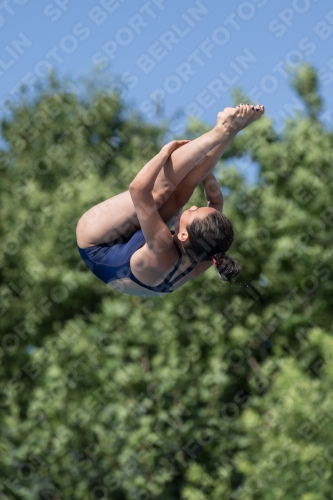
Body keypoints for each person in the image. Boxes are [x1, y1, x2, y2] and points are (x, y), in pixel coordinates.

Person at [76, 104, 264, 297]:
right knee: (180, 195)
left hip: (97, 246)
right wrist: (206, 165)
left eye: (193, 212)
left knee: (160, 194)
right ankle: (230, 129)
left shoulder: (163, 245)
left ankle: (219, 131)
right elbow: (215, 201)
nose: (191, 207)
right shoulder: (210, 253)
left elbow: (138, 189)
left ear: (183, 236)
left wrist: (163, 154)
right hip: (136, 263)